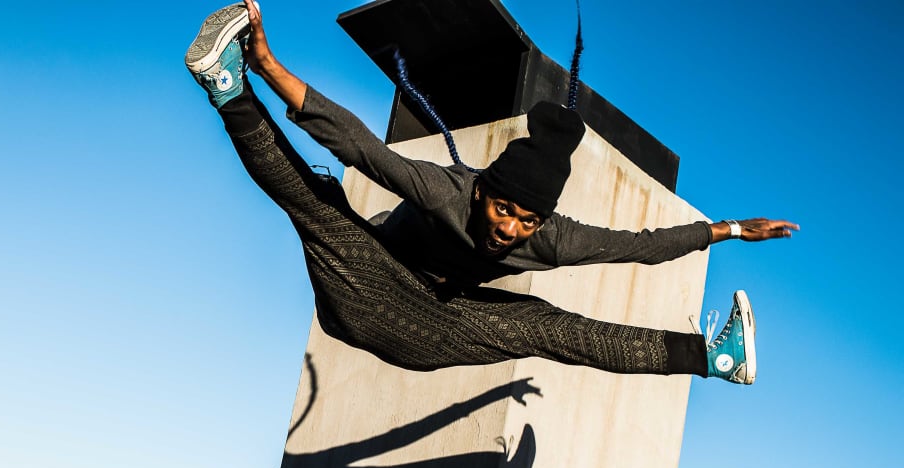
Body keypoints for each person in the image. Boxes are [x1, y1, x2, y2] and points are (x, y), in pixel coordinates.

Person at [184, 1, 799, 382]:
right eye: (505, 210)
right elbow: (361, 147)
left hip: (436, 326)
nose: (510, 230)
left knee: (548, 328)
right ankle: (231, 86)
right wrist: (269, 65)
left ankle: (710, 360)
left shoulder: (551, 237)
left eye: (527, 223)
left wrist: (732, 229)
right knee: (321, 203)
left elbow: (637, 246)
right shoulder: (448, 191)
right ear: (484, 192)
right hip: (367, 289)